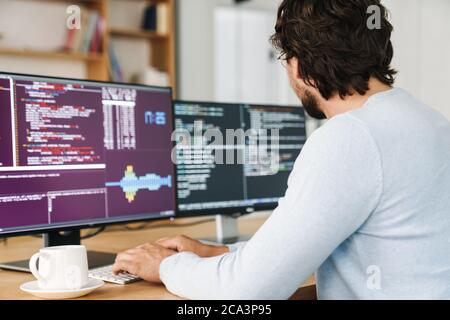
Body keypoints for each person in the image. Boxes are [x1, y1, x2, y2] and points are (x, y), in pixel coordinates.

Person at [112, 0, 450, 299]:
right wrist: (223, 253)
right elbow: (321, 242)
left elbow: (247, 291)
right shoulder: (429, 121)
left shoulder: (350, 137)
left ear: (300, 65)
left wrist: (168, 265)